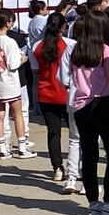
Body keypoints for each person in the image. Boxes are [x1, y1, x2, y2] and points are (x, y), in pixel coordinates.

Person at [69, 12, 109, 215]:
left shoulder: (76, 50)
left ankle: (93, 202)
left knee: (89, 153)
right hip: (103, 102)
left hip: (81, 104)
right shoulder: (107, 51)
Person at [31, 13, 76, 191]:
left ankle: (57, 167)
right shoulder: (70, 44)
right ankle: (75, 167)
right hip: (66, 93)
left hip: (45, 93)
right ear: (63, 26)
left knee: (53, 132)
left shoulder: (36, 46)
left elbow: (35, 70)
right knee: (75, 135)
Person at [0, 10, 36, 159]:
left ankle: (3, 149)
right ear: (8, 22)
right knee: (18, 114)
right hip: (9, 83)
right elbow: (13, 65)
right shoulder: (9, 41)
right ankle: (22, 147)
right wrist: (23, 59)